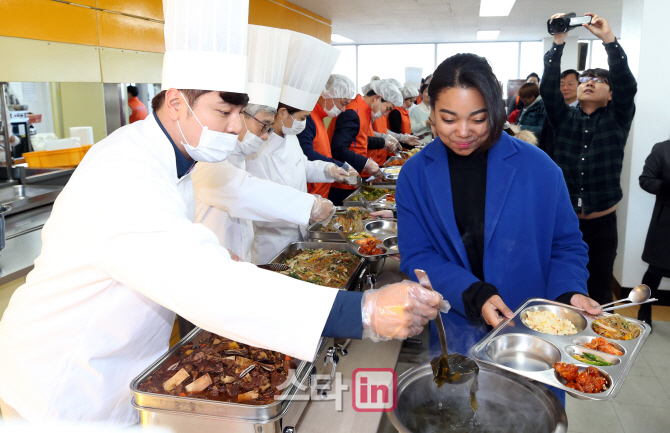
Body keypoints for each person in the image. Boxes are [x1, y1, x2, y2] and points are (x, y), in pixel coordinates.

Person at [0, 1, 444, 425]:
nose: (235, 126)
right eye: (225, 111)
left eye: (239, 112)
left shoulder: (174, 156)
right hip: (61, 385)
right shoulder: (124, 172)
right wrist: (361, 312)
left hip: (116, 367)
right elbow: (197, 277)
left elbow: (178, 241)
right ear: (176, 102)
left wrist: (216, 253)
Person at [397, 53, 601, 405]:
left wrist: (569, 293)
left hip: (532, 339)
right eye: (448, 119)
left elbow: (565, 245)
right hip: (457, 328)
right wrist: (471, 292)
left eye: (478, 119)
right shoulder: (415, 174)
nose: (462, 132)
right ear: (430, 115)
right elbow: (417, 253)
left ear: (495, 111)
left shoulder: (539, 168)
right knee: (456, 417)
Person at [541, 12, 637, 305]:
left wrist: (608, 39)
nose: (589, 82)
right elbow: (548, 89)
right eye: (585, 79)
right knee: (558, 286)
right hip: (563, 221)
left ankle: (597, 348)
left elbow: (627, 85)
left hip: (601, 225)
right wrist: (558, 42)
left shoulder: (618, 117)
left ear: (611, 94)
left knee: (599, 291)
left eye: (598, 80)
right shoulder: (564, 118)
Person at [245, 30, 350, 264]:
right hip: (271, 244)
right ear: (282, 113)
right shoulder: (254, 147)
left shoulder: (289, 135)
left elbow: (301, 165)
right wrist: (307, 206)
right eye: (302, 117)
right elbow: (258, 202)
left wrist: (328, 171)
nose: (304, 122)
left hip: (298, 233)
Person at [327, 79, 401, 205]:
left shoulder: (364, 112)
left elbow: (358, 140)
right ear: (377, 98)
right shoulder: (353, 112)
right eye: (387, 108)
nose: (385, 113)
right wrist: (365, 163)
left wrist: (383, 142)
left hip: (353, 178)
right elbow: (338, 148)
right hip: (343, 182)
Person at [298, 74, 357, 198]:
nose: (343, 109)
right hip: (311, 192)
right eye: (342, 103)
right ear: (328, 95)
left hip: (322, 190)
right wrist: (340, 166)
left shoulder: (320, 116)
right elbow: (306, 153)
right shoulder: (308, 117)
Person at [638, 140, 670, 329]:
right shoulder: (663, 149)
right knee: (654, 272)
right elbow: (646, 180)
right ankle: (644, 311)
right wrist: (667, 186)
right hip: (666, 222)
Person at [539, 69, 580, 159]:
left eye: (570, 84)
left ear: (579, 85)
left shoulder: (583, 111)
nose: (565, 88)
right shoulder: (552, 109)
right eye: (561, 84)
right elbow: (544, 137)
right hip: (551, 158)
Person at [388, 85, 419, 149]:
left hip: (404, 148)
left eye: (413, 101)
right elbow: (395, 133)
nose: (411, 104)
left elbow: (405, 130)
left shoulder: (404, 111)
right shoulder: (396, 112)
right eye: (410, 101)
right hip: (395, 149)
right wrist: (412, 146)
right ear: (403, 98)